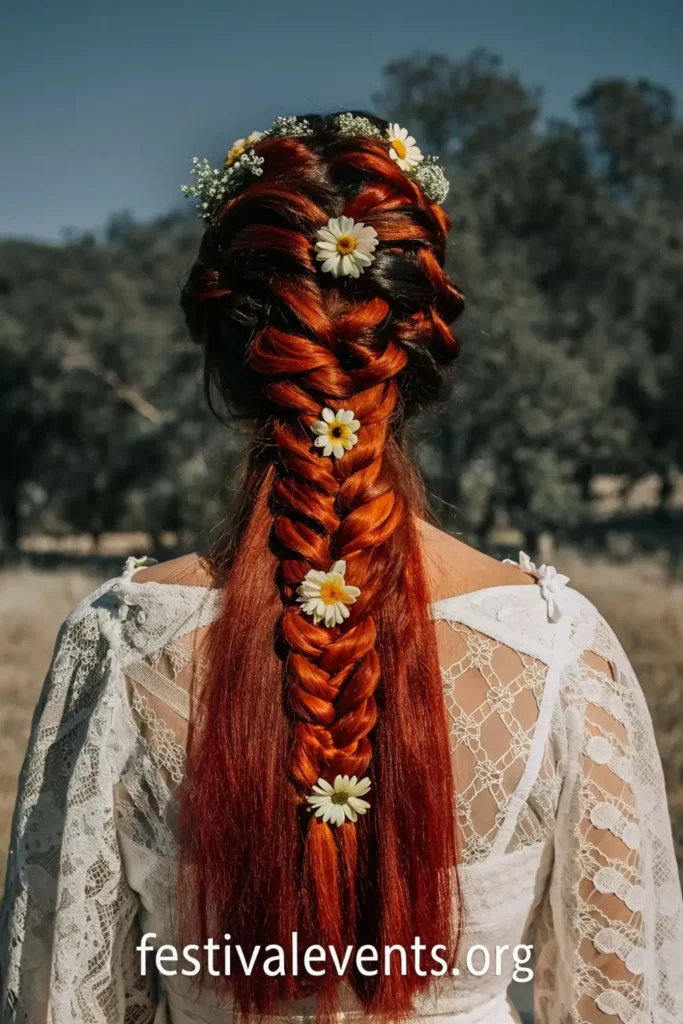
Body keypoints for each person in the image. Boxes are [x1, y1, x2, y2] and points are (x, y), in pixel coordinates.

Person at [1, 111, 681, 1024]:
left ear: (227, 367)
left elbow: (62, 998)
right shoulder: (559, 651)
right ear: (416, 355)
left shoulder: (122, 646)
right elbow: (622, 1000)